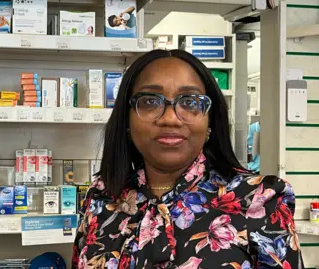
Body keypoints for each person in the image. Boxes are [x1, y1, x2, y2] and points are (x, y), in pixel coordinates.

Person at [72, 49, 302, 269]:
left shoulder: (259, 200)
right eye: (150, 101)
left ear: (210, 121)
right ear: (127, 121)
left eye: (190, 102)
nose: (170, 119)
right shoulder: (101, 196)